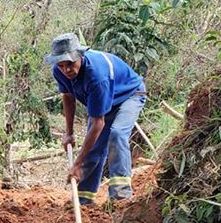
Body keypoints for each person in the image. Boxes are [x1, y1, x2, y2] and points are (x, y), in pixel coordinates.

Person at [46, 33, 147, 205]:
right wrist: (69, 133)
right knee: (93, 147)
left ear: (80, 55)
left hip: (130, 94)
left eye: (70, 64)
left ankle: (121, 197)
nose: (66, 70)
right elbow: (68, 97)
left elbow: (98, 123)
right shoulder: (59, 71)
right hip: (107, 98)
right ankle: (84, 200)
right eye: (61, 65)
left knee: (117, 134)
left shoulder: (96, 76)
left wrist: (77, 164)